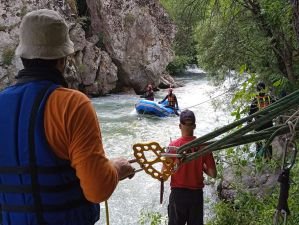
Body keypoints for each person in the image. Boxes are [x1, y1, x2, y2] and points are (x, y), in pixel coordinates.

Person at [0, 9, 135, 225]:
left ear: (23, 56)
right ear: (62, 59)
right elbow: (97, 190)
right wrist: (117, 167)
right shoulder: (72, 105)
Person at [166, 109, 217, 225]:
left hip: (177, 194)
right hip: (196, 195)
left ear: (180, 126)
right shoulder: (204, 146)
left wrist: (177, 164)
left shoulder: (172, 147)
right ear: (194, 125)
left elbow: (164, 175)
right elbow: (213, 174)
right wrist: (201, 165)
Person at [249, 82, 275, 159]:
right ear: (264, 89)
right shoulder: (270, 98)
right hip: (269, 124)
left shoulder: (255, 100)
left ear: (257, 90)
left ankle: (259, 159)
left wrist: (249, 123)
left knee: (259, 143)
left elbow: (251, 113)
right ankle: (269, 158)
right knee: (268, 142)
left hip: (259, 125)